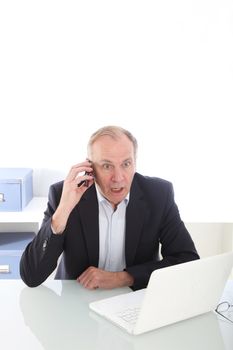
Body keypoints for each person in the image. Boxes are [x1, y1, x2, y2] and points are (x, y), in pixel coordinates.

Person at [20, 125, 199, 290]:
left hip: (136, 299)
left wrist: (124, 278)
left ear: (135, 162)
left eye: (126, 164)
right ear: (90, 168)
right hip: (78, 301)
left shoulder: (158, 194)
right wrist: (63, 211)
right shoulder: (64, 194)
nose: (118, 177)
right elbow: (31, 276)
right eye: (107, 166)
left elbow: (187, 261)